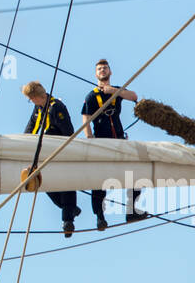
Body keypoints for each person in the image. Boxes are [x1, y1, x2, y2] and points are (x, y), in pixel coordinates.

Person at [82, 59, 144, 230]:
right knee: (99, 181)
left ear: (110, 72)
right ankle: (100, 216)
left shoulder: (116, 90)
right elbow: (85, 118)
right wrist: (90, 138)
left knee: (136, 173)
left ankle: (132, 210)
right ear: (96, 74)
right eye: (99, 69)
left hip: (119, 141)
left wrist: (114, 92)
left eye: (105, 68)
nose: (102, 71)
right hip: (103, 142)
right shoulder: (92, 96)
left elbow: (134, 97)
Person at [21, 80, 80, 237]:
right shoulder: (38, 108)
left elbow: (67, 131)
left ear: (37, 96)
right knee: (44, 183)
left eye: (31, 98)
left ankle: (68, 220)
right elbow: (31, 128)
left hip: (60, 150)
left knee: (67, 185)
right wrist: (23, 144)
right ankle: (70, 209)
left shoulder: (57, 107)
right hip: (45, 151)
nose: (31, 101)